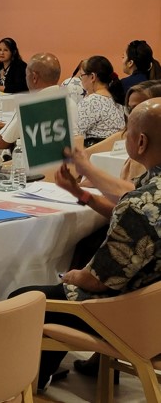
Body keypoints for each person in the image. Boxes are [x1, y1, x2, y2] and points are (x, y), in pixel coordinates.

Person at [15, 100, 161, 391]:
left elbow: (95, 282)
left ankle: (21, 387)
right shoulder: (147, 194)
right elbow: (138, 217)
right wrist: (80, 193)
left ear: (140, 142)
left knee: (24, 298)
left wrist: (72, 275)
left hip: (128, 316)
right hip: (153, 310)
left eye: (126, 132)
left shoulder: (139, 205)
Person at [0, 52, 63, 150]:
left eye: (26, 74)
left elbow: (0, 143)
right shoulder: (70, 103)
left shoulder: (29, 108)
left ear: (34, 77)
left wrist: (5, 129)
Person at [76, 56, 126, 145]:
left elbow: (73, 133)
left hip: (92, 155)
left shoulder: (91, 102)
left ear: (92, 77)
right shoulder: (117, 100)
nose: (81, 79)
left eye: (81, 75)